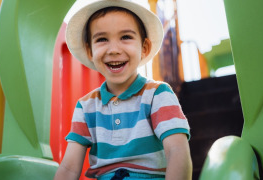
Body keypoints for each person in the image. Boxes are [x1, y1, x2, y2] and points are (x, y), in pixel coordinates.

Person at [54, 0, 192, 179]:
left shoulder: (157, 95)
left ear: (144, 48)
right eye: (102, 39)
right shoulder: (86, 106)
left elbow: (177, 151)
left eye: (126, 37)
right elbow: (69, 168)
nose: (114, 50)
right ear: (90, 51)